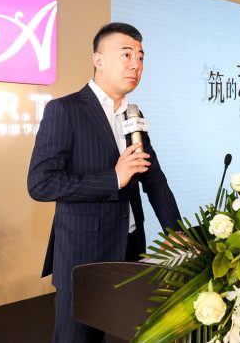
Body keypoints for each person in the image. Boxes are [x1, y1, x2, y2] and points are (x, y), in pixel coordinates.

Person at [27, 22, 183, 343]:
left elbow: (154, 180)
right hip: (83, 256)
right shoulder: (65, 110)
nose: (135, 64)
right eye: (126, 54)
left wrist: (176, 233)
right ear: (98, 60)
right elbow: (41, 183)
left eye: (140, 56)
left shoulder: (133, 115)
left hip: (129, 249)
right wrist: (113, 178)